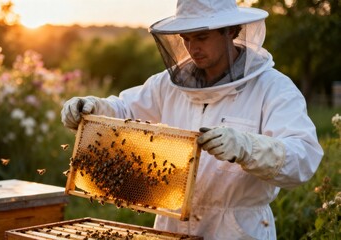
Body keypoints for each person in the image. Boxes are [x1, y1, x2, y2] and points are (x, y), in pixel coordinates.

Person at [61, 0, 323, 239]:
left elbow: (303, 158)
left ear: (231, 31)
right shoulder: (170, 83)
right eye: (186, 38)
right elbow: (126, 110)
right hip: (171, 226)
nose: (192, 48)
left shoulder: (272, 88)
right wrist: (94, 107)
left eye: (201, 37)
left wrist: (247, 147)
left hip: (236, 230)